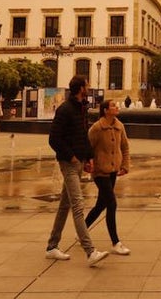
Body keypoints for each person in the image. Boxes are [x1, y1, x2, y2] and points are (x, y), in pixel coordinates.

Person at [46, 76, 109, 267]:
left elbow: (83, 135)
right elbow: (53, 139)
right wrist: (71, 156)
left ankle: (52, 246)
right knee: (78, 205)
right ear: (81, 88)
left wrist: (88, 157)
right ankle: (90, 251)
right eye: (87, 85)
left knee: (65, 205)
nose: (89, 88)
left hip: (79, 162)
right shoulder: (65, 110)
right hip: (69, 163)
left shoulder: (81, 108)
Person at [85, 99, 132, 256]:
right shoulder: (97, 128)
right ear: (105, 110)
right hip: (100, 171)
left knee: (101, 204)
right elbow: (88, 147)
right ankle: (116, 242)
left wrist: (125, 165)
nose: (117, 107)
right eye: (113, 106)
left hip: (113, 170)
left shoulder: (119, 126)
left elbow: (125, 147)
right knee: (112, 203)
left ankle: (82, 231)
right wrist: (89, 163)